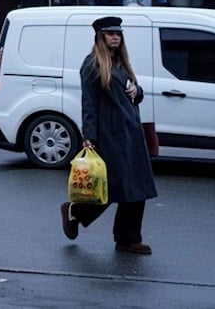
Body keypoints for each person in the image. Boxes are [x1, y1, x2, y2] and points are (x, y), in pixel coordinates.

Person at [61, 16, 157, 255]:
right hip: (110, 135)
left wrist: (138, 91)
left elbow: (134, 93)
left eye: (118, 33)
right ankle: (75, 211)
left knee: (137, 188)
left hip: (131, 133)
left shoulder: (121, 62)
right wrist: (89, 137)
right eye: (110, 33)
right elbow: (89, 104)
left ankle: (128, 238)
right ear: (100, 36)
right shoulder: (92, 65)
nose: (116, 37)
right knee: (112, 188)